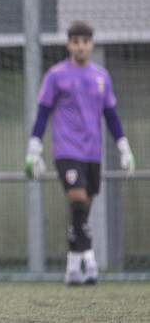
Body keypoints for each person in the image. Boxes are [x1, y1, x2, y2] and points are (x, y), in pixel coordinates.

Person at [25, 20, 135, 286]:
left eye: (85, 41)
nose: (80, 46)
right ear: (68, 44)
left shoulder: (101, 77)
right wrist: (34, 148)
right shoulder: (56, 75)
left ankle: (72, 268)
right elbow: (43, 113)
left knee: (82, 213)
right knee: (76, 203)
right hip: (66, 151)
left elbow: (111, 115)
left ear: (92, 44)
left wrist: (123, 147)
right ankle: (91, 263)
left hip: (93, 153)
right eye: (75, 41)